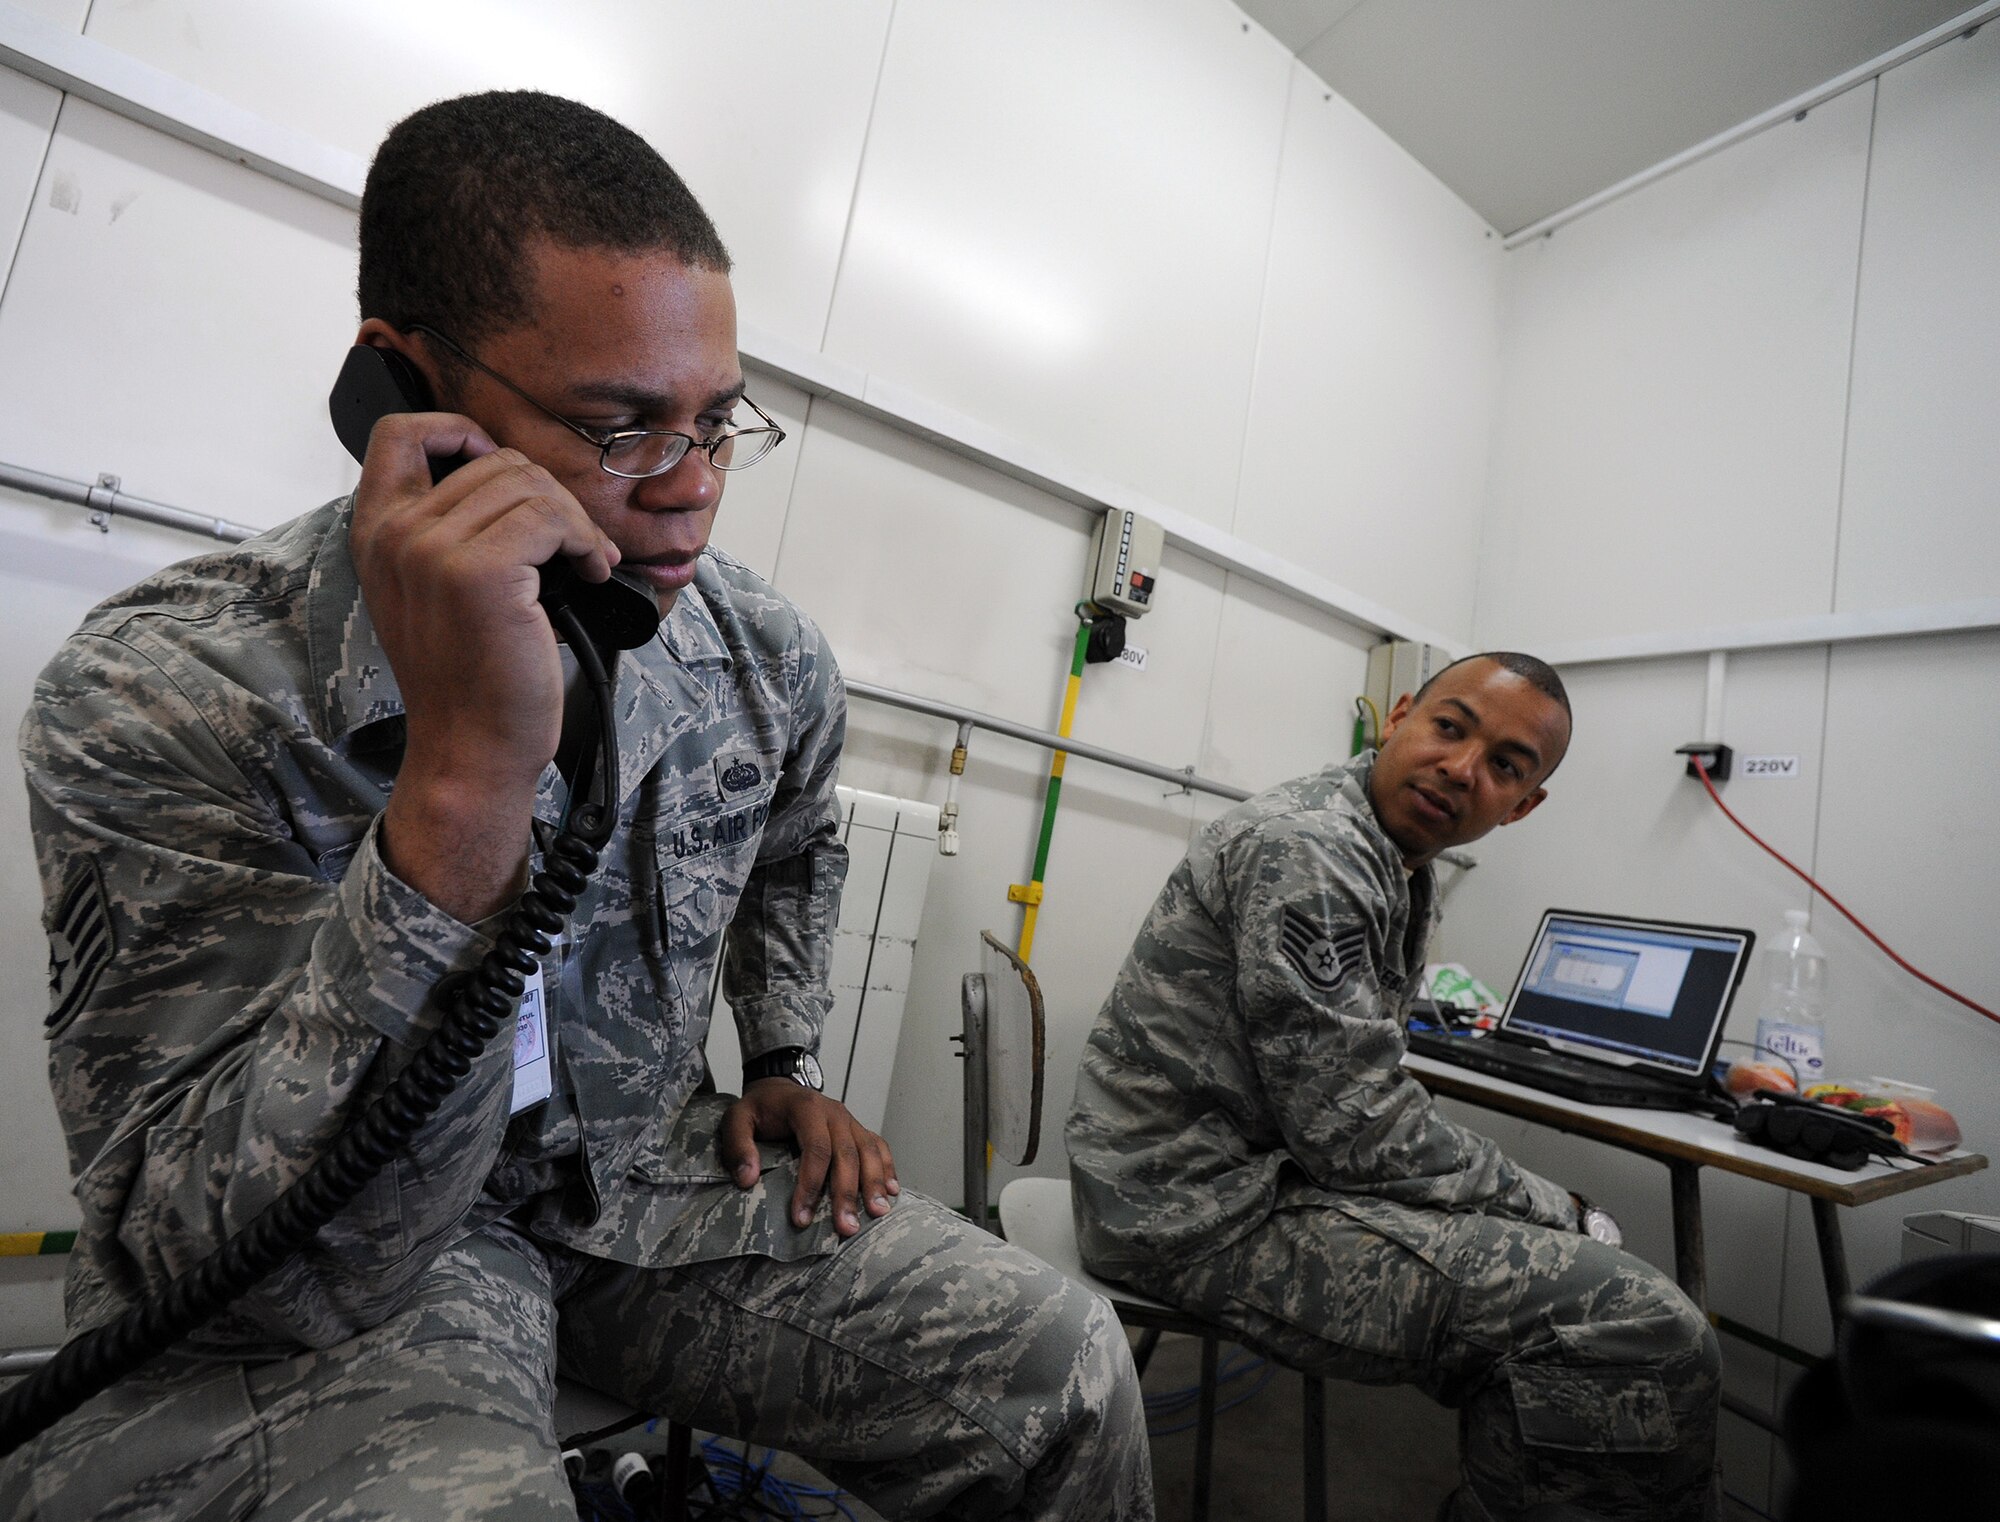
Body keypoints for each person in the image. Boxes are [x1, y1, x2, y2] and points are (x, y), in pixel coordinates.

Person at [4, 91, 1149, 1521]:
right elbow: (252, 1257)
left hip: (636, 1177)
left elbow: (798, 839)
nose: (691, 497)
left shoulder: (757, 651)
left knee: (1066, 1366)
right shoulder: (166, 685)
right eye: (619, 429)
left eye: (718, 424)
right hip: (358, 1258)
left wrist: (783, 1048)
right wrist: (469, 784)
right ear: (403, 390)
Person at [1066, 653, 1721, 1522]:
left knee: (1591, 1281)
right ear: (1401, 715)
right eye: (1450, 728)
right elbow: (1358, 1133)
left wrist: (1511, 1204)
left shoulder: (1389, 856)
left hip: (1241, 1175)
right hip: (1188, 1210)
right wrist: (1553, 1206)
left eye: (1504, 765)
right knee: (1634, 1319)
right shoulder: (1314, 851)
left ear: (1523, 806)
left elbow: (1353, 1113)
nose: (1461, 767)